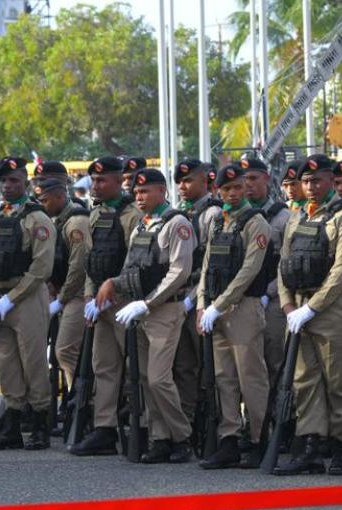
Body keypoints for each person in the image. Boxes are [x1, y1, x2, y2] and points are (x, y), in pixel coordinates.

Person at [273, 154, 342, 476]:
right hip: (301, 310)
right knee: (306, 382)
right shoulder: (298, 215)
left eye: (317, 181)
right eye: (305, 182)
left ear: (332, 181)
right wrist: (289, 306)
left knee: (341, 381)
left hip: (336, 309)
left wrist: (312, 307)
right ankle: (312, 444)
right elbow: (283, 265)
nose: (311, 187)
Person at [95, 167, 195, 463]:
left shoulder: (177, 223)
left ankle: (182, 436)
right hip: (139, 308)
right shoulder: (142, 225)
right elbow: (131, 269)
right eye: (136, 192)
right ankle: (160, 437)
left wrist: (148, 303)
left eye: (145, 191)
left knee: (159, 379)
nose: (139, 196)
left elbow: (179, 272)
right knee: (143, 377)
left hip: (164, 309)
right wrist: (113, 286)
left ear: (162, 192)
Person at [196, 163, 273, 469]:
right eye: (226, 189)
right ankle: (229, 438)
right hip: (216, 310)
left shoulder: (257, 223)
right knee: (223, 377)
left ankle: (258, 440)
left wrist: (218, 305)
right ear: (218, 191)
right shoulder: (218, 221)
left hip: (243, 310)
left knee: (251, 377)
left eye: (238, 187)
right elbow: (205, 267)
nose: (232, 193)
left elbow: (248, 272)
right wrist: (204, 303)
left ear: (246, 188)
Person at [0, 157, 56, 451]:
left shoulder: (38, 219)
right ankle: (10, 425)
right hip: (0, 299)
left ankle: (39, 426)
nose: (8, 186)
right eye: (4, 181)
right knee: (7, 364)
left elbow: (41, 268)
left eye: (14, 180)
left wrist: (11, 298)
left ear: (27, 183)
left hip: (26, 298)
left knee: (34, 362)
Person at [71, 156, 142, 457]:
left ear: (118, 181)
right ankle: (105, 427)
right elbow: (92, 260)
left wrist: (113, 288)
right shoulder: (96, 214)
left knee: (137, 367)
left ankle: (145, 425)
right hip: (100, 303)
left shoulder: (133, 216)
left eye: (102, 181)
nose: (96, 186)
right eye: (94, 181)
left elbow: (134, 261)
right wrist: (90, 297)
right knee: (104, 366)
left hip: (126, 301)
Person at [172, 158, 221, 431]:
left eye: (188, 180)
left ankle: (210, 422)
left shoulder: (212, 214)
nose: (182, 186)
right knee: (184, 367)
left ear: (205, 181)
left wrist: (193, 299)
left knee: (207, 367)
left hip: (202, 298)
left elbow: (209, 262)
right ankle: (188, 421)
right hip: (180, 297)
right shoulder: (182, 213)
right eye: (179, 181)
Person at [36, 175, 90, 390]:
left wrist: (61, 298)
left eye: (45, 200)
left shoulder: (76, 222)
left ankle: (84, 397)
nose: (42, 205)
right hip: (63, 292)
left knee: (66, 350)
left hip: (78, 294)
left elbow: (78, 268)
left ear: (60, 196)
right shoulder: (58, 220)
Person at [241, 156, 290, 375]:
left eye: (253, 178)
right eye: (243, 179)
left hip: (274, 296)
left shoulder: (283, 216)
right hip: (241, 297)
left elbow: (287, 263)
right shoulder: (233, 217)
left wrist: (268, 292)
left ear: (267, 179)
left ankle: (278, 407)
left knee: (274, 355)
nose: (247, 184)